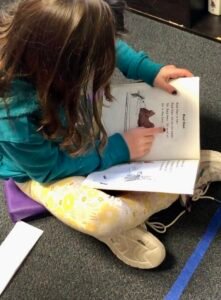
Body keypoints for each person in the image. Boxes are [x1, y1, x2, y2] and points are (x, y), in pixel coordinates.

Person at [0, 0, 219, 269]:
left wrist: (148, 70)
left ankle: (173, 177)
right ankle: (129, 218)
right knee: (102, 215)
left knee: (145, 134)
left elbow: (105, 43)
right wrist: (119, 150)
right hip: (43, 171)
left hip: (73, 118)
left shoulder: (48, 42)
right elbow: (50, 169)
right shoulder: (12, 117)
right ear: (61, 63)